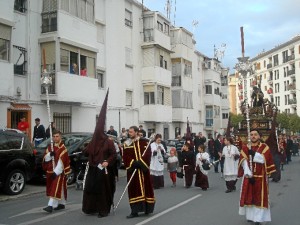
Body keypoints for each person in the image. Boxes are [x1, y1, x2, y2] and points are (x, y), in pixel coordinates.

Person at [82, 91, 117, 218]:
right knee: (91, 189)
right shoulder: (93, 142)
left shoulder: (108, 142)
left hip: (103, 170)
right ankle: (91, 208)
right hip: (92, 169)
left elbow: (114, 155)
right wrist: (84, 149)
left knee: (102, 190)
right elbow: (85, 152)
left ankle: (103, 210)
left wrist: (108, 161)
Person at [238, 129, 276, 225]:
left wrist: (254, 154)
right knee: (249, 197)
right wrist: (248, 174)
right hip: (249, 177)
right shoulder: (246, 147)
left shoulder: (264, 147)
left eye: (255, 134)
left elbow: (264, 159)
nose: (253, 136)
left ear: (259, 136)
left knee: (259, 198)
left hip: (260, 177)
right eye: (251, 134)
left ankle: (258, 219)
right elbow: (243, 162)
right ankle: (251, 217)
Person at [123, 126, 155, 218]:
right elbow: (125, 156)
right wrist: (133, 163)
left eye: (131, 132)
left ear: (136, 132)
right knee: (134, 190)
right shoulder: (127, 143)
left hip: (143, 170)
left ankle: (147, 208)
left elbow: (148, 153)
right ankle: (134, 211)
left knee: (146, 189)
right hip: (133, 170)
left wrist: (142, 163)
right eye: (129, 132)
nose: (130, 133)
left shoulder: (144, 142)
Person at [42, 130, 71, 213]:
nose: (55, 138)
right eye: (54, 136)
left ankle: (50, 205)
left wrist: (56, 172)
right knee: (59, 187)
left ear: (60, 137)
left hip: (58, 171)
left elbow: (62, 162)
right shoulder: (50, 147)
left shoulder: (63, 148)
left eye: (57, 136)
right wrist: (49, 155)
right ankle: (62, 203)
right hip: (50, 170)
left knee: (55, 187)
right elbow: (45, 158)